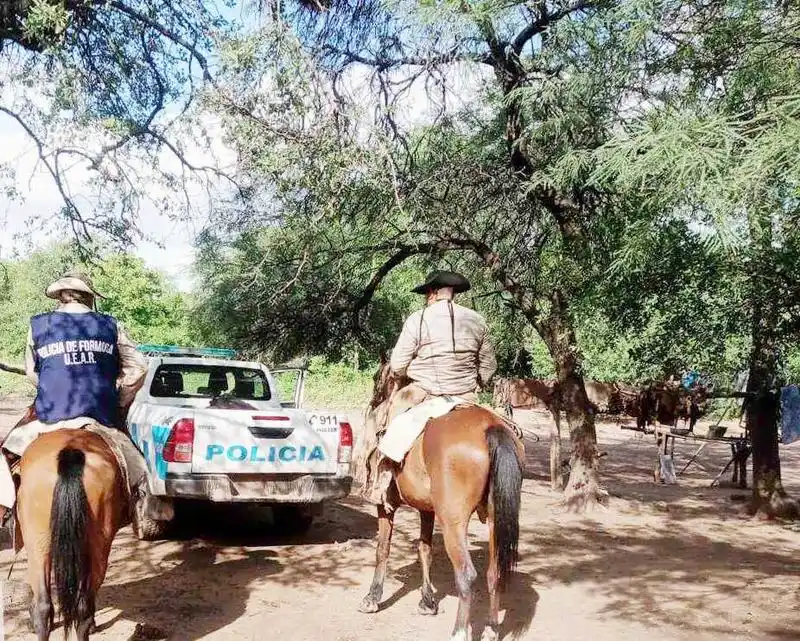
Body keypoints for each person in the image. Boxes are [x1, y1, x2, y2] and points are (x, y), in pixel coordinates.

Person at [0, 270, 157, 526]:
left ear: (61, 296)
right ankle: (140, 509)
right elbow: (138, 367)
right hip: (100, 414)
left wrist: (49, 388)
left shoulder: (38, 325)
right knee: (138, 466)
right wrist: (119, 398)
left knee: (6, 453)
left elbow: (32, 371)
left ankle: (6, 511)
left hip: (51, 415)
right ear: (89, 297)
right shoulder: (110, 325)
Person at [362, 269, 497, 506]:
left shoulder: (418, 319)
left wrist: (404, 373)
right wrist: (478, 382)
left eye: (427, 292)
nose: (426, 297)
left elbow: (398, 363)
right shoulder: (478, 321)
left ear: (433, 292)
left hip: (424, 391)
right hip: (465, 394)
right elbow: (488, 368)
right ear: (452, 293)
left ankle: (382, 483)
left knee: (388, 422)